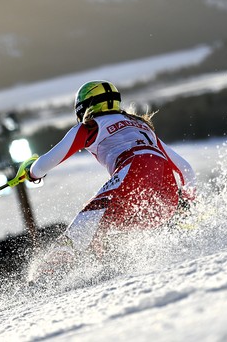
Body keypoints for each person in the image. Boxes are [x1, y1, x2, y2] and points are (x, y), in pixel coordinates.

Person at [17, 80, 196, 263]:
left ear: (84, 107)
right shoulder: (141, 125)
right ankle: (108, 260)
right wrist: (189, 203)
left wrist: (31, 172)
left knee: (88, 217)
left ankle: (54, 268)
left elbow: (44, 165)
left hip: (134, 167)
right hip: (165, 193)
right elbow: (186, 169)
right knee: (102, 224)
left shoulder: (90, 127)